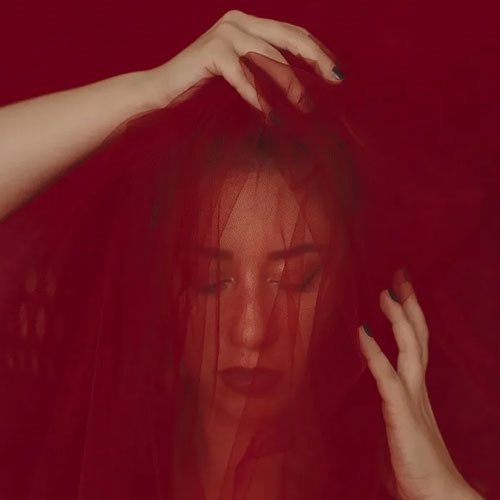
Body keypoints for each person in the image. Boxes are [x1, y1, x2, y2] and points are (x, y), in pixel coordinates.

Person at [0, 10, 493, 500]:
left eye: (297, 279)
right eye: (209, 279)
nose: (252, 331)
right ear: (157, 278)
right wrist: (149, 91)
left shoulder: (423, 484)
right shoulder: (61, 459)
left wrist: (437, 489)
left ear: (351, 281)